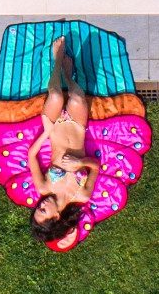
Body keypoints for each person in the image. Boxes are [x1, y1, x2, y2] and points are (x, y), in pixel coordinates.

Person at [26, 35, 103, 246]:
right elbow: (95, 167)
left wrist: (46, 131)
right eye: (43, 210)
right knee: (77, 98)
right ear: (56, 217)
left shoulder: (43, 188)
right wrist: (81, 163)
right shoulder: (82, 195)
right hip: (78, 127)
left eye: (37, 208)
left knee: (57, 97)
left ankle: (57, 60)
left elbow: (31, 155)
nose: (40, 204)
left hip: (54, 127)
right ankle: (68, 75)